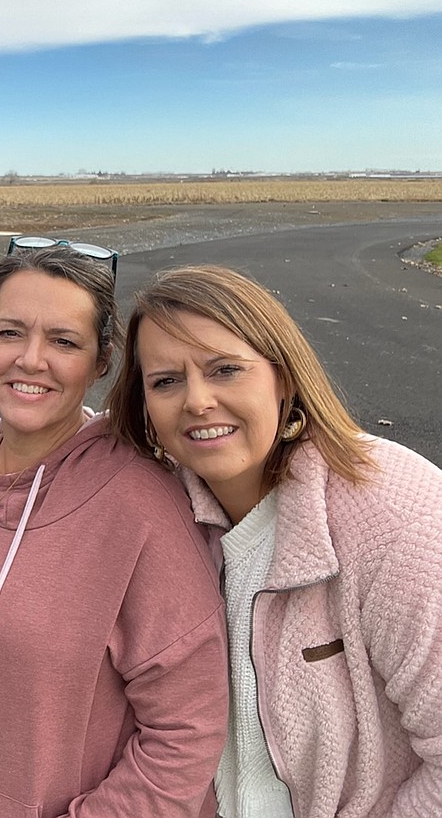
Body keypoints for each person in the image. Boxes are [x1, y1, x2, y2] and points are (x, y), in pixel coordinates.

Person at [0, 246, 229, 817]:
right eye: (10, 332)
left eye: (65, 342)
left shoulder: (141, 506)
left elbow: (186, 730)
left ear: (102, 361)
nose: (31, 360)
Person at [106, 264, 442, 818]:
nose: (197, 401)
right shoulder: (162, 512)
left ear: (283, 377)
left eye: (225, 370)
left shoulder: (392, 512)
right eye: (165, 381)